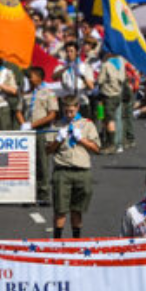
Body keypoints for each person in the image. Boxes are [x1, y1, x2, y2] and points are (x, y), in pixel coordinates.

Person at [47, 96, 100, 239]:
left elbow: (96, 148)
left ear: (77, 108)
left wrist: (81, 139)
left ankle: (76, 241)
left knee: (77, 210)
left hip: (82, 171)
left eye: (71, 111)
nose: (69, 115)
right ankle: (57, 241)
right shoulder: (57, 125)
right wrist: (58, 140)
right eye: (66, 111)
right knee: (60, 210)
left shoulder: (87, 124)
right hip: (62, 170)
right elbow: (48, 150)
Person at [19, 66, 58, 206]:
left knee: (42, 163)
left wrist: (33, 125)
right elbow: (19, 111)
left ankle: (44, 194)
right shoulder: (26, 94)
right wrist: (23, 123)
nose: (29, 78)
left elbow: (52, 114)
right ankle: (30, 195)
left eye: (32, 76)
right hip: (28, 133)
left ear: (40, 77)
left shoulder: (48, 93)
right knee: (29, 164)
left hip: (42, 131)